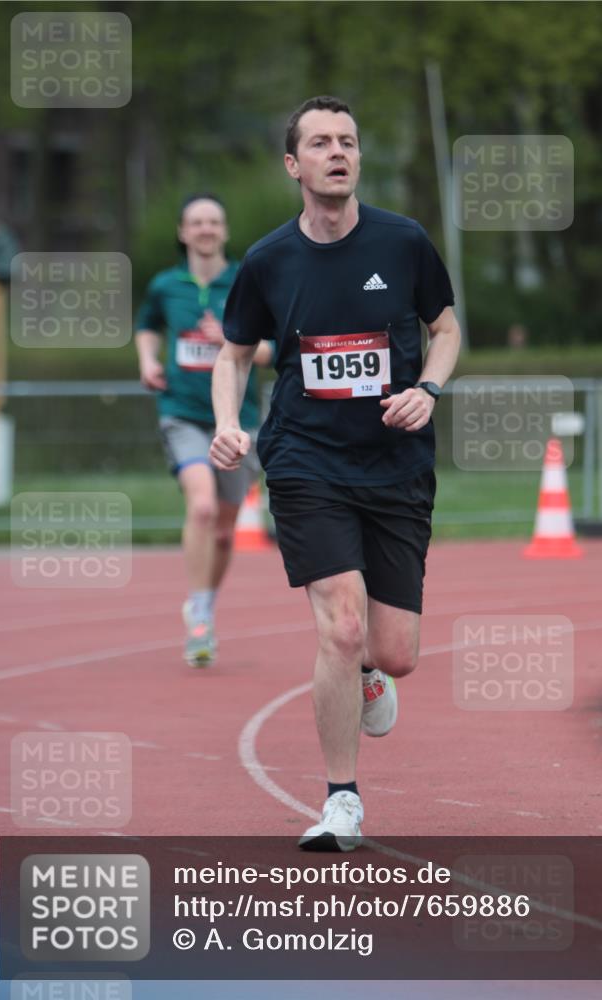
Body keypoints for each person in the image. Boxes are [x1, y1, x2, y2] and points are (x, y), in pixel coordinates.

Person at [211, 97, 461, 850]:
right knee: (340, 626)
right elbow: (232, 354)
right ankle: (341, 800)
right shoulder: (267, 260)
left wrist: (427, 389)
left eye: (347, 141)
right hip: (304, 458)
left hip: (394, 465)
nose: (337, 152)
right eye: (319, 143)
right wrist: (229, 423)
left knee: (393, 653)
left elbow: (444, 330)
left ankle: (367, 675)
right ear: (294, 165)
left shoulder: (403, 241)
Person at [135, 194, 273, 666]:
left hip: (238, 421)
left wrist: (231, 343)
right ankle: (198, 611)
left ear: (225, 231)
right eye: (197, 222)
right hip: (183, 414)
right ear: (183, 231)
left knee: (224, 530)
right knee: (201, 506)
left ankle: (206, 604)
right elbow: (148, 325)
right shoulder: (165, 285)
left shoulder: (246, 280)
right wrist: (149, 360)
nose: (205, 229)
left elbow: (275, 350)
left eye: (214, 221)